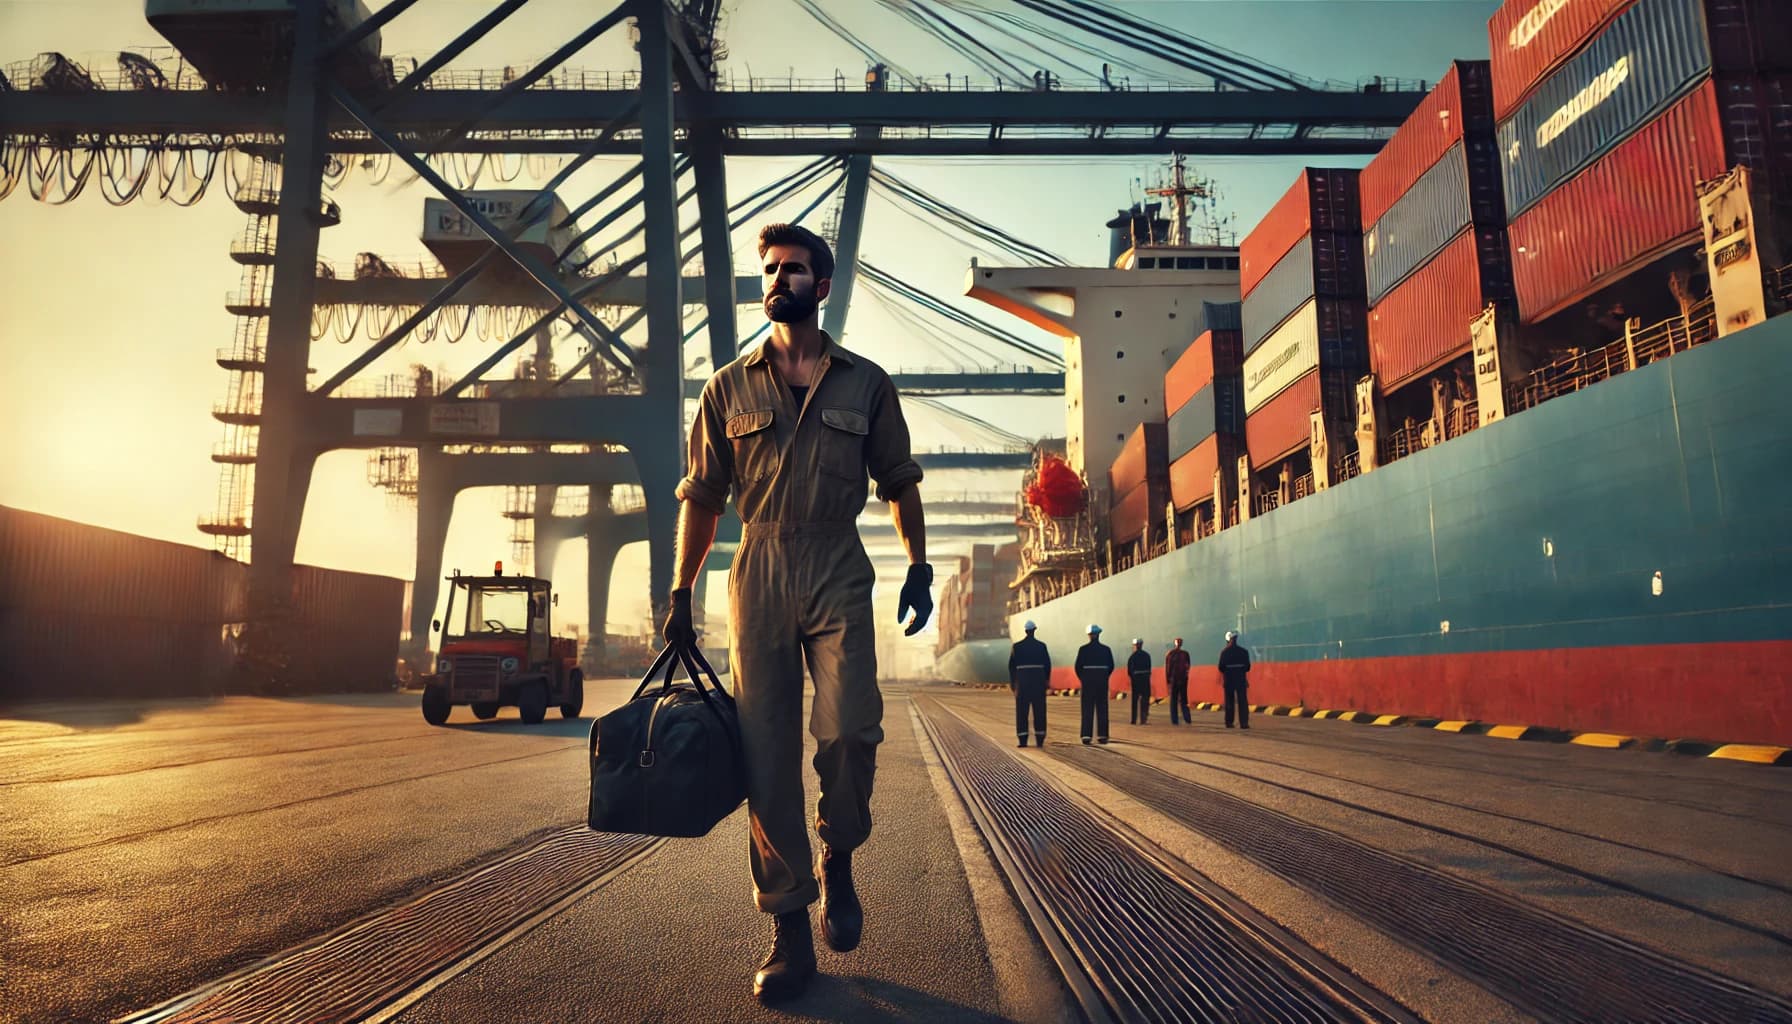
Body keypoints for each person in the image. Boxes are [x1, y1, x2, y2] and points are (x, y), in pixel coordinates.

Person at [665, 222, 932, 1003]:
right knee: (767, 754)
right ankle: (788, 927)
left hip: (837, 563)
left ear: (823, 285)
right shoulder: (725, 389)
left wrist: (918, 563)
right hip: (758, 571)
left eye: (795, 268)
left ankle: (838, 852)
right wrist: (681, 592)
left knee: (849, 727)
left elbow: (899, 480)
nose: (779, 278)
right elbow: (702, 500)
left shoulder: (866, 383)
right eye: (771, 269)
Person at [1008, 620, 1051, 748]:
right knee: (1040, 711)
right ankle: (1040, 739)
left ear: (1025, 631)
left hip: (1022, 683)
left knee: (1022, 712)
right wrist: (1046, 681)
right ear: (1034, 630)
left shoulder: (1016, 647)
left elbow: (1011, 667)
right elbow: (1047, 666)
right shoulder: (1041, 646)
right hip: (1038, 682)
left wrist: (1013, 684)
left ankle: (1022, 740)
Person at [1074, 625, 1114, 744]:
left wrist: (1084, 678)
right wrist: (1104, 676)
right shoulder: (1106, 649)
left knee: (1087, 708)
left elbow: (1077, 667)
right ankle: (1102, 735)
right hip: (1102, 682)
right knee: (1102, 708)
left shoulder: (1083, 649)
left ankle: (1086, 735)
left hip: (1087, 683)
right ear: (1098, 634)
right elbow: (1111, 666)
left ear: (1089, 635)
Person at [1219, 630, 1251, 729]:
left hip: (1229, 680)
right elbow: (1248, 667)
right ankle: (1244, 723)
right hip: (1241, 679)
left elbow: (1221, 667)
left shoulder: (1224, 652)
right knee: (1242, 702)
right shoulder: (1244, 652)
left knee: (1229, 702)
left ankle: (1229, 722)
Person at [1165, 637, 1191, 724]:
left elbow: (1168, 668)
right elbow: (1188, 666)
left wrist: (1168, 680)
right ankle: (1187, 718)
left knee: (1173, 701)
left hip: (1174, 680)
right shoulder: (1185, 654)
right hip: (1183, 680)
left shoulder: (1170, 654)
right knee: (1184, 700)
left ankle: (1174, 720)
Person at [1126, 638, 1152, 725]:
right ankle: (1143, 719)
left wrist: (1133, 678)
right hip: (1144, 680)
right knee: (1144, 700)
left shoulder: (1132, 657)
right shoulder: (1146, 655)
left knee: (1135, 700)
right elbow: (1149, 669)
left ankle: (1134, 720)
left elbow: (1129, 671)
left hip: (1136, 680)